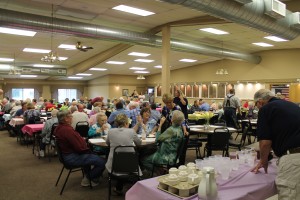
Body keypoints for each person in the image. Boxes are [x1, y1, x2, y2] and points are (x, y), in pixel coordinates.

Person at [251, 89, 300, 199]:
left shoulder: (265, 109)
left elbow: (265, 143)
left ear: (260, 102)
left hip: (294, 159)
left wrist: (263, 161)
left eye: (256, 105)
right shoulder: (292, 105)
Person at [54, 110, 105, 187]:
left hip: (66, 155)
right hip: (71, 157)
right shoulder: (67, 130)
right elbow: (80, 148)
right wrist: (85, 145)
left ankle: (88, 175)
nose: (72, 118)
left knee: (91, 156)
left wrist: (81, 140)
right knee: (102, 162)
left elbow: (75, 143)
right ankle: (88, 178)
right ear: (66, 119)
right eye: (71, 116)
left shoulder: (59, 128)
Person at [105, 113, 142, 195]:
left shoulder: (111, 132)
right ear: (126, 123)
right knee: (129, 158)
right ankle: (134, 187)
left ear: (116, 123)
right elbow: (139, 143)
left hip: (113, 166)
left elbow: (108, 143)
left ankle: (119, 187)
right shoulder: (131, 131)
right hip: (131, 167)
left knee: (120, 160)